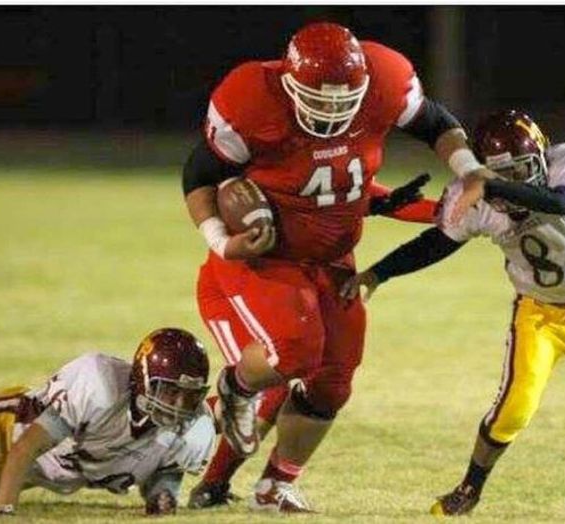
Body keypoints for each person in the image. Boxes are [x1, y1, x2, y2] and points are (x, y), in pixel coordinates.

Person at [181, 21, 489, 512]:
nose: (331, 110)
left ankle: (273, 486)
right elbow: (200, 172)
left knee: (333, 382)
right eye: (317, 99)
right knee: (295, 353)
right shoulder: (253, 99)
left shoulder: (384, 78)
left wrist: (469, 171)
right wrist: (222, 240)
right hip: (266, 259)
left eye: (345, 100)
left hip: (334, 262)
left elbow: (434, 122)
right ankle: (233, 388)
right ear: (288, 83)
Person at [341, 110, 565, 517]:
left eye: (523, 170)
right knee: (513, 408)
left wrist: (493, 183)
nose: (517, 181)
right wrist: (379, 272)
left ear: (541, 157)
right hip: (538, 315)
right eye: (505, 174)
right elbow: (437, 243)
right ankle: (469, 489)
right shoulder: (478, 195)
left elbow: (563, 202)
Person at [0, 328, 214, 518]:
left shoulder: (191, 430)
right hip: (5, 428)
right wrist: (5, 513)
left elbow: (166, 472)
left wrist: (162, 495)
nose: (179, 405)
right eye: (171, 391)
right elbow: (25, 447)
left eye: (191, 395)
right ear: (143, 380)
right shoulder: (100, 387)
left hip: (34, 472)